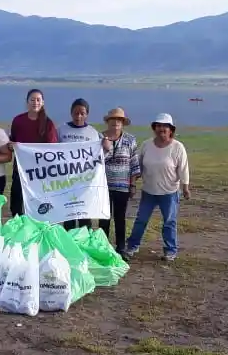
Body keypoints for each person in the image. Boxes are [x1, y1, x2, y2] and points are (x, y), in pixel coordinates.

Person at [123, 113, 191, 262]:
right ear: (154, 128)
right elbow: (138, 166)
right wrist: (132, 183)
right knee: (141, 220)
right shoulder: (146, 145)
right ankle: (132, 246)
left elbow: (183, 168)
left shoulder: (178, 147)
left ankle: (170, 250)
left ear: (171, 129)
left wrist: (185, 187)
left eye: (165, 126)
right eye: (158, 126)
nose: (161, 129)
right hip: (149, 191)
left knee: (169, 222)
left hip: (169, 192)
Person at [57, 98, 113, 230]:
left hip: (85, 182)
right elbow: (52, 151)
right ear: (71, 113)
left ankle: (85, 240)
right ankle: (68, 241)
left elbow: (99, 156)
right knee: (68, 215)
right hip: (66, 182)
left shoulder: (92, 133)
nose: (78, 116)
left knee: (85, 215)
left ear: (87, 114)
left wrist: (106, 147)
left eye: (82, 113)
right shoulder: (61, 130)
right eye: (76, 113)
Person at [8, 88, 59, 216]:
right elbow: (13, 141)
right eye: (32, 100)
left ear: (42, 102)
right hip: (20, 171)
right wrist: (12, 146)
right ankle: (18, 226)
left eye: (38, 100)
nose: (35, 102)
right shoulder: (18, 120)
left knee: (38, 206)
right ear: (27, 102)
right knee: (17, 204)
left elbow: (52, 149)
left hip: (40, 173)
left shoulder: (48, 124)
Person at [99, 107, 140, 251]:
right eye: (113, 119)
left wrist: (132, 185)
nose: (116, 122)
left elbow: (134, 164)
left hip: (122, 187)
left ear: (123, 123)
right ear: (108, 122)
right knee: (104, 218)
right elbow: (93, 161)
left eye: (119, 120)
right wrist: (104, 148)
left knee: (120, 218)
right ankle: (102, 247)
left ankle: (121, 248)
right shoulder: (99, 138)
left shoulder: (130, 140)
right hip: (102, 187)